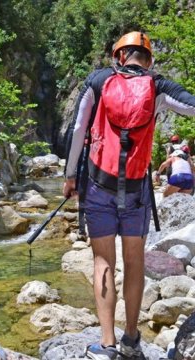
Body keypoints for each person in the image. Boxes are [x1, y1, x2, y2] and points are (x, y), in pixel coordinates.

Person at [63, 31, 195, 360]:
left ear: (119, 56)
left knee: (103, 262)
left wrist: (69, 177)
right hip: (136, 191)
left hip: (97, 185)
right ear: (148, 59)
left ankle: (106, 345)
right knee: (134, 264)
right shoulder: (157, 86)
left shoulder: (98, 81)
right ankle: (132, 339)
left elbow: (78, 129)